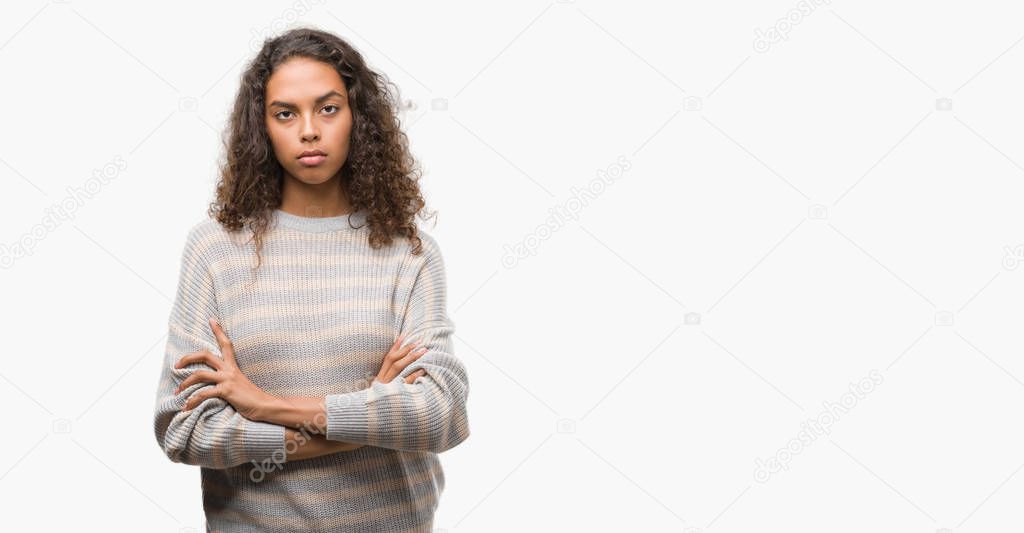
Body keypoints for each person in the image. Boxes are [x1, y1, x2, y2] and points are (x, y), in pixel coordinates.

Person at [151, 27, 470, 532]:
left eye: (327, 108)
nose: (308, 131)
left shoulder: (409, 253)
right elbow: (184, 429)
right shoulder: (215, 250)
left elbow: (441, 415)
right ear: (262, 127)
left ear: (357, 117)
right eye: (285, 113)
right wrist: (368, 416)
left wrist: (262, 404)